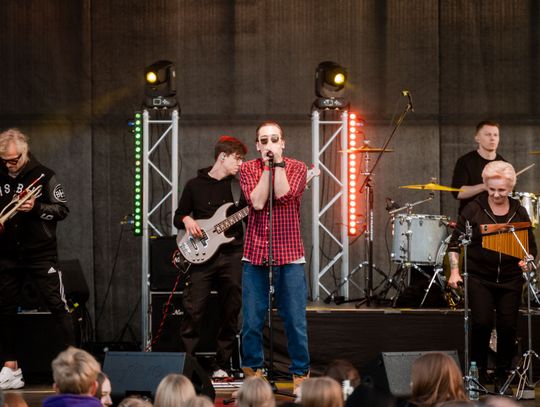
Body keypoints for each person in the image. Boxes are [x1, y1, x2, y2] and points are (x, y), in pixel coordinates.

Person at [448, 161, 537, 389]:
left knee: (508, 327)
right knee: (482, 323)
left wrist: (527, 261)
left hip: (510, 279)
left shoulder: (519, 211)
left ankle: (502, 375)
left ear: (511, 188)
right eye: (492, 189)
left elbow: (531, 249)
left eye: (502, 190)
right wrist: (455, 271)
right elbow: (454, 244)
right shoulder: (473, 209)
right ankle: (476, 373)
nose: (496, 195)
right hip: (480, 278)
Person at [239, 121, 310, 393]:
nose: (269, 144)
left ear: (283, 143)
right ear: (258, 145)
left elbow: (282, 194)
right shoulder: (248, 168)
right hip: (255, 254)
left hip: (289, 255)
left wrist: (277, 164)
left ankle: (300, 376)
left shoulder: (298, 168)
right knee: (251, 322)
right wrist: (267, 168)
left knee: (295, 322)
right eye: (264, 140)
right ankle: (253, 377)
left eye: (274, 139)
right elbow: (257, 202)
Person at [0, 128, 71, 390]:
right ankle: (10, 367)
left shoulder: (44, 175)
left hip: (41, 254)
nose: (10, 164)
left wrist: (36, 207)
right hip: (8, 255)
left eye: (14, 159)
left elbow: (62, 210)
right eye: (5, 160)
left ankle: (73, 368)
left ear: (25, 152)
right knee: (5, 309)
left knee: (58, 307)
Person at [173, 135, 247, 378]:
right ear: (222, 156)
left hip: (232, 253)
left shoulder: (238, 187)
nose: (240, 164)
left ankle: (221, 365)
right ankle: (188, 365)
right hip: (202, 256)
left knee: (231, 309)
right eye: (237, 158)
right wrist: (187, 219)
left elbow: (249, 215)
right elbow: (178, 216)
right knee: (193, 310)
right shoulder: (194, 185)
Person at [451, 120, 505, 215]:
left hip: (497, 217)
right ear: (477, 138)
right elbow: (458, 193)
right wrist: (484, 186)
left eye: (495, 135)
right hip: (471, 217)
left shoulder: (504, 165)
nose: (492, 138)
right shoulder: (465, 161)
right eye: (488, 134)